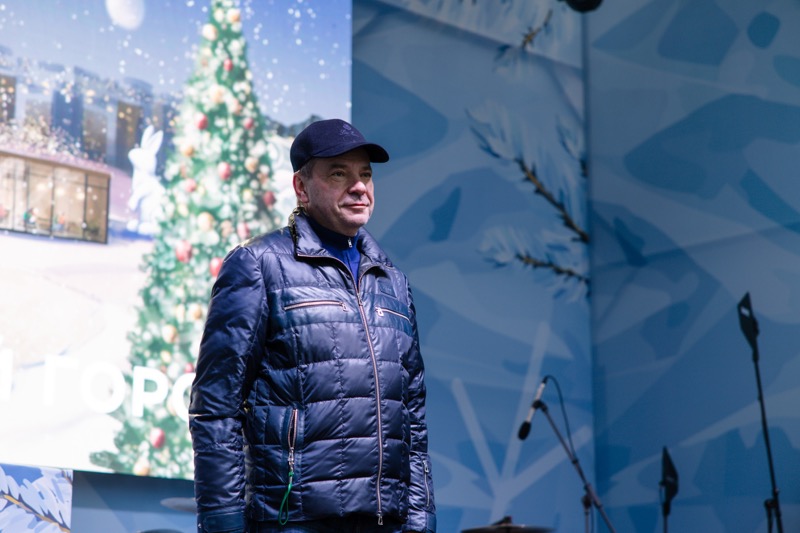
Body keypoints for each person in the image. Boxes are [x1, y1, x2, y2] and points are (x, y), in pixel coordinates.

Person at [190, 119, 436, 533]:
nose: (359, 187)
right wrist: (223, 523)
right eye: (339, 174)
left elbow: (412, 416)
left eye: (365, 175)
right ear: (301, 188)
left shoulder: (392, 281)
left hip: (385, 523)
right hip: (292, 520)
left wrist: (419, 518)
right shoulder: (258, 265)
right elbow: (216, 407)